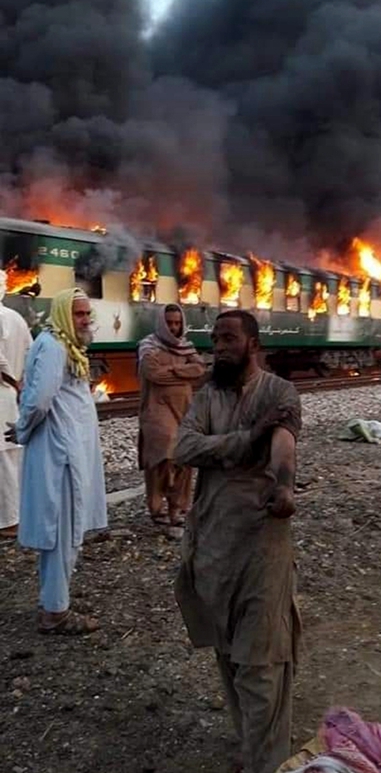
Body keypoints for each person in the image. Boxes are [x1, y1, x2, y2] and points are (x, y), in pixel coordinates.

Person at [174, 310, 302, 773]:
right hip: (212, 544)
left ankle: (267, 762)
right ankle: (252, 748)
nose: (219, 347)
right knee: (228, 653)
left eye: (229, 338)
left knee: (262, 660)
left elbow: (282, 443)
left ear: (253, 344)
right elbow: (182, 447)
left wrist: (284, 486)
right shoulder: (207, 396)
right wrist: (245, 440)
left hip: (261, 542)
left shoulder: (279, 392)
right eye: (215, 339)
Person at [4, 288, 107, 634]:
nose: (86, 320)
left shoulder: (65, 345)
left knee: (66, 530)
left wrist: (23, 428)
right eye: (79, 314)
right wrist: (22, 429)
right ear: (63, 313)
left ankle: (54, 601)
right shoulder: (53, 347)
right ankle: (55, 612)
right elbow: (38, 400)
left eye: (87, 313)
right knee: (61, 532)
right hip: (60, 456)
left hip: (67, 452)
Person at [137, 303, 205, 539]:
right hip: (156, 410)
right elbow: (152, 373)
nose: (174, 328)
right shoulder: (148, 346)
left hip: (183, 409)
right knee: (162, 455)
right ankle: (157, 507)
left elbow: (199, 369)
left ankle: (177, 509)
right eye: (169, 323)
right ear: (161, 323)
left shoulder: (186, 346)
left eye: (177, 323)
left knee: (184, 457)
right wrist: (182, 372)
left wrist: (171, 371)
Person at [0, 270, 32, 538]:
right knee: (12, 456)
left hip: (3, 392)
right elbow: (30, 353)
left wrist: (12, 379)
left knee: (3, 459)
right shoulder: (16, 318)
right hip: (11, 396)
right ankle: (16, 515)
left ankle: (9, 521)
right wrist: (21, 383)